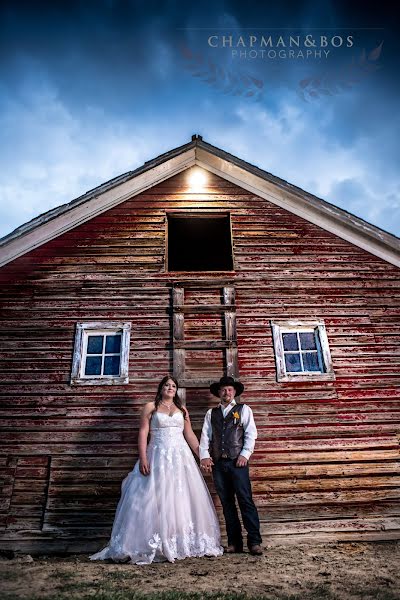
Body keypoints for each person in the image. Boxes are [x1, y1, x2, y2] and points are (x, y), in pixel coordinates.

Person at [90, 375, 223, 564]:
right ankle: (151, 542)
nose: (170, 388)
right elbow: (143, 433)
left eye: (173, 386)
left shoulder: (182, 410)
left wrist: (203, 455)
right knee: (152, 497)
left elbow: (190, 435)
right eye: (167, 385)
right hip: (157, 455)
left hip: (180, 457)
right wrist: (143, 457)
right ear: (161, 388)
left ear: (176, 390)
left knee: (180, 497)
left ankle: (179, 541)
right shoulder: (150, 407)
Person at [199, 376, 263, 556]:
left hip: (238, 463)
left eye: (229, 389)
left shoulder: (244, 409)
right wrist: (204, 456)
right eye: (223, 389)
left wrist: (244, 454)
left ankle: (254, 541)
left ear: (234, 392)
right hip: (219, 464)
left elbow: (251, 434)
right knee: (227, 504)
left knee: (245, 500)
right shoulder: (211, 414)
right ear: (218, 393)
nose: (226, 392)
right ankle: (235, 543)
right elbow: (206, 437)